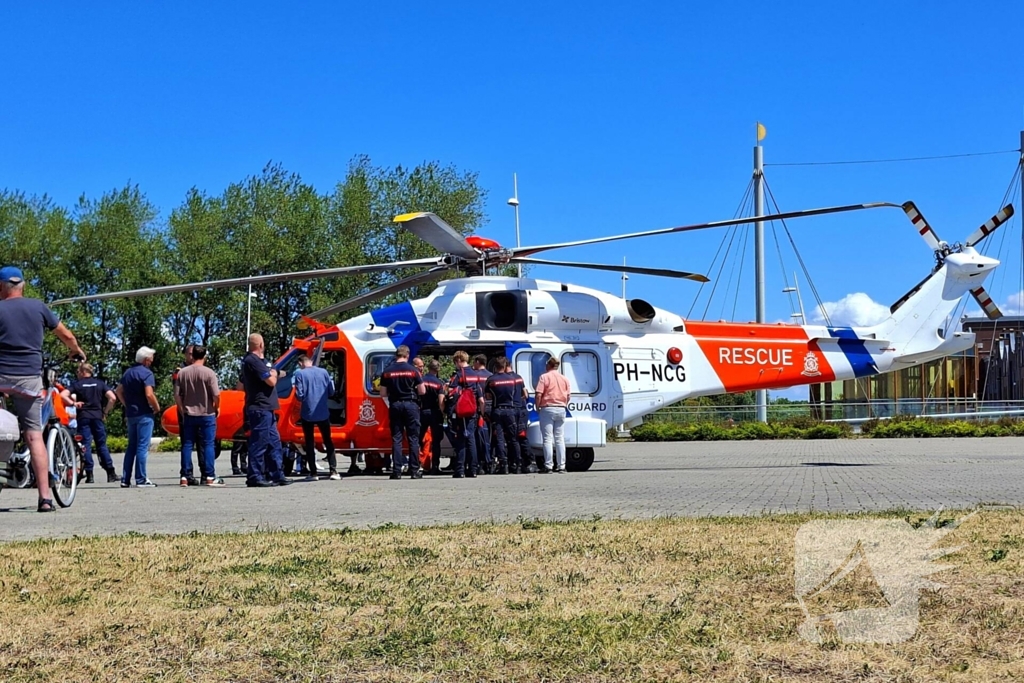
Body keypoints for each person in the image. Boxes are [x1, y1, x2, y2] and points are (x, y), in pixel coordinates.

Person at [0, 266, 87, 511]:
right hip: (28, 378)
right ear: (23, 286)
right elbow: (66, 335)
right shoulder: (38, 307)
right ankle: (45, 498)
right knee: (34, 436)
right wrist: (76, 351)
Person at [241, 333, 291, 488]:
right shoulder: (252, 361)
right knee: (259, 442)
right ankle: (254, 476)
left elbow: (275, 371)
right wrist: (274, 374)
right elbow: (270, 381)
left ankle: (277, 474)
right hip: (260, 407)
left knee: (274, 443)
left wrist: (274, 372)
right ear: (261, 344)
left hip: (268, 408)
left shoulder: (261, 361)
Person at [174, 344, 225, 487]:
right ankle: (209, 475)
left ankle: (184, 476)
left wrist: (182, 408)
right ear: (204, 356)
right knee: (208, 444)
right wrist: (217, 406)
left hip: (189, 413)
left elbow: (177, 395)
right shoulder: (209, 373)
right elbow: (216, 394)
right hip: (206, 413)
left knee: (187, 444)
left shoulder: (182, 373)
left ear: (192, 355)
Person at [60, 363, 118, 483]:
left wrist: (73, 404)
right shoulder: (100, 383)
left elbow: (62, 395)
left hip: (83, 416)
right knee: (101, 445)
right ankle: (110, 473)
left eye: (78, 372)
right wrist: (105, 412)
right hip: (97, 416)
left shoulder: (78, 384)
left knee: (85, 446)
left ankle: (89, 475)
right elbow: (112, 398)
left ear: (82, 372)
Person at [116, 346, 160, 488]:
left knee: (131, 447)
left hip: (131, 414)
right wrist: (156, 407)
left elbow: (118, 391)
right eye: (151, 360)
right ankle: (141, 479)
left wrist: (126, 404)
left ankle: (125, 478)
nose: (152, 362)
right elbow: (149, 393)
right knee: (142, 446)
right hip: (144, 413)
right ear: (146, 360)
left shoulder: (128, 373)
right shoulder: (147, 373)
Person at [379, 345, 425, 480]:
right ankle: (414, 471)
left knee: (397, 438)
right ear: (408, 355)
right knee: (413, 439)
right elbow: (422, 391)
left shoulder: (387, 371)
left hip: (395, 405)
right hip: (411, 405)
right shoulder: (413, 371)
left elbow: (382, 393)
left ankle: (396, 471)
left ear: (396, 355)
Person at [293, 353, 339, 481]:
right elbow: (331, 391)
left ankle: (313, 473)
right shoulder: (324, 372)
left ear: (301, 363)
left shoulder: (300, 374)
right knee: (328, 441)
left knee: (309, 442)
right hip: (323, 412)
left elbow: (300, 395)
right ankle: (333, 470)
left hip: (307, 413)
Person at [446, 350, 484, 478]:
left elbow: (451, 392)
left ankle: (460, 469)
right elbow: (481, 399)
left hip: (461, 410)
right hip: (472, 410)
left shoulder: (458, 375)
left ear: (458, 361)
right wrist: (481, 413)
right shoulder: (475, 374)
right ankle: (473, 469)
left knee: (461, 439)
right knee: (471, 439)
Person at [484, 356, 520, 475]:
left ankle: (503, 464)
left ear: (495, 366)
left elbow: (488, 396)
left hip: (497, 410)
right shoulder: (512, 379)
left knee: (499, 438)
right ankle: (516, 464)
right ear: (504, 366)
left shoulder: (491, 380)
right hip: (510, 410)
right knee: (513, 438)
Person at [535, 357, 571, 473]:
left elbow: (538, 394)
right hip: (561, 408)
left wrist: (538, 406)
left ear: (548, 365)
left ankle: (548, 466)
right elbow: (568, 396)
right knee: (559, 438)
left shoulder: (544, 377)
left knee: (547, 438)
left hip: (548, 408)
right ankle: (562, 466)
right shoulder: (564, 379)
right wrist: (563, 404)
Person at [419, 359, 446, 475]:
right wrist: (444, 412)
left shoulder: (421, 380)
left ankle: (417, 465)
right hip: (435, 413)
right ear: (437, 369)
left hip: (422, 412)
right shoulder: (439, 383)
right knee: (436, 441)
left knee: (419, 439)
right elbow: (441, 401)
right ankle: (435, 466)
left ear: (428, 368)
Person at [471, 354, 493, 474]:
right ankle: (489, 462)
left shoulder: (473, 376)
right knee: (488, 437)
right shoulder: (491, 376)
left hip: (478, 410)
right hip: (490, 409)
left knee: (477, 438)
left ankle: (480, 463)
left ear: (478, 362)